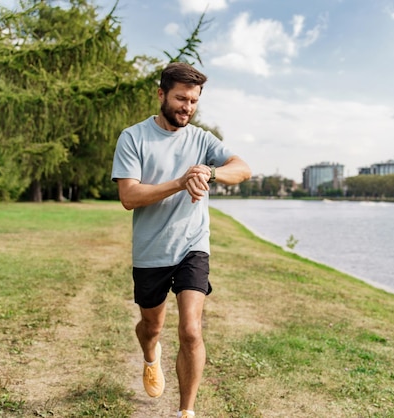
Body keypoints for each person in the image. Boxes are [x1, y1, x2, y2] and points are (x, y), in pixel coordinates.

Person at [111, 62, 251, 418]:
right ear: (161, 95)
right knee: (151, 327)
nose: (187, 107)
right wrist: (180, 180)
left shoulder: (202, 140)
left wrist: (211, 171)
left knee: (191, 330)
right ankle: (150, 354)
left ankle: (185, 412)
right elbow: (129, 196)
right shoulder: (133, 138)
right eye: (180, 98)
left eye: (193, 101)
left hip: (192, 246)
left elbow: (243, 168)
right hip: (151, 250)